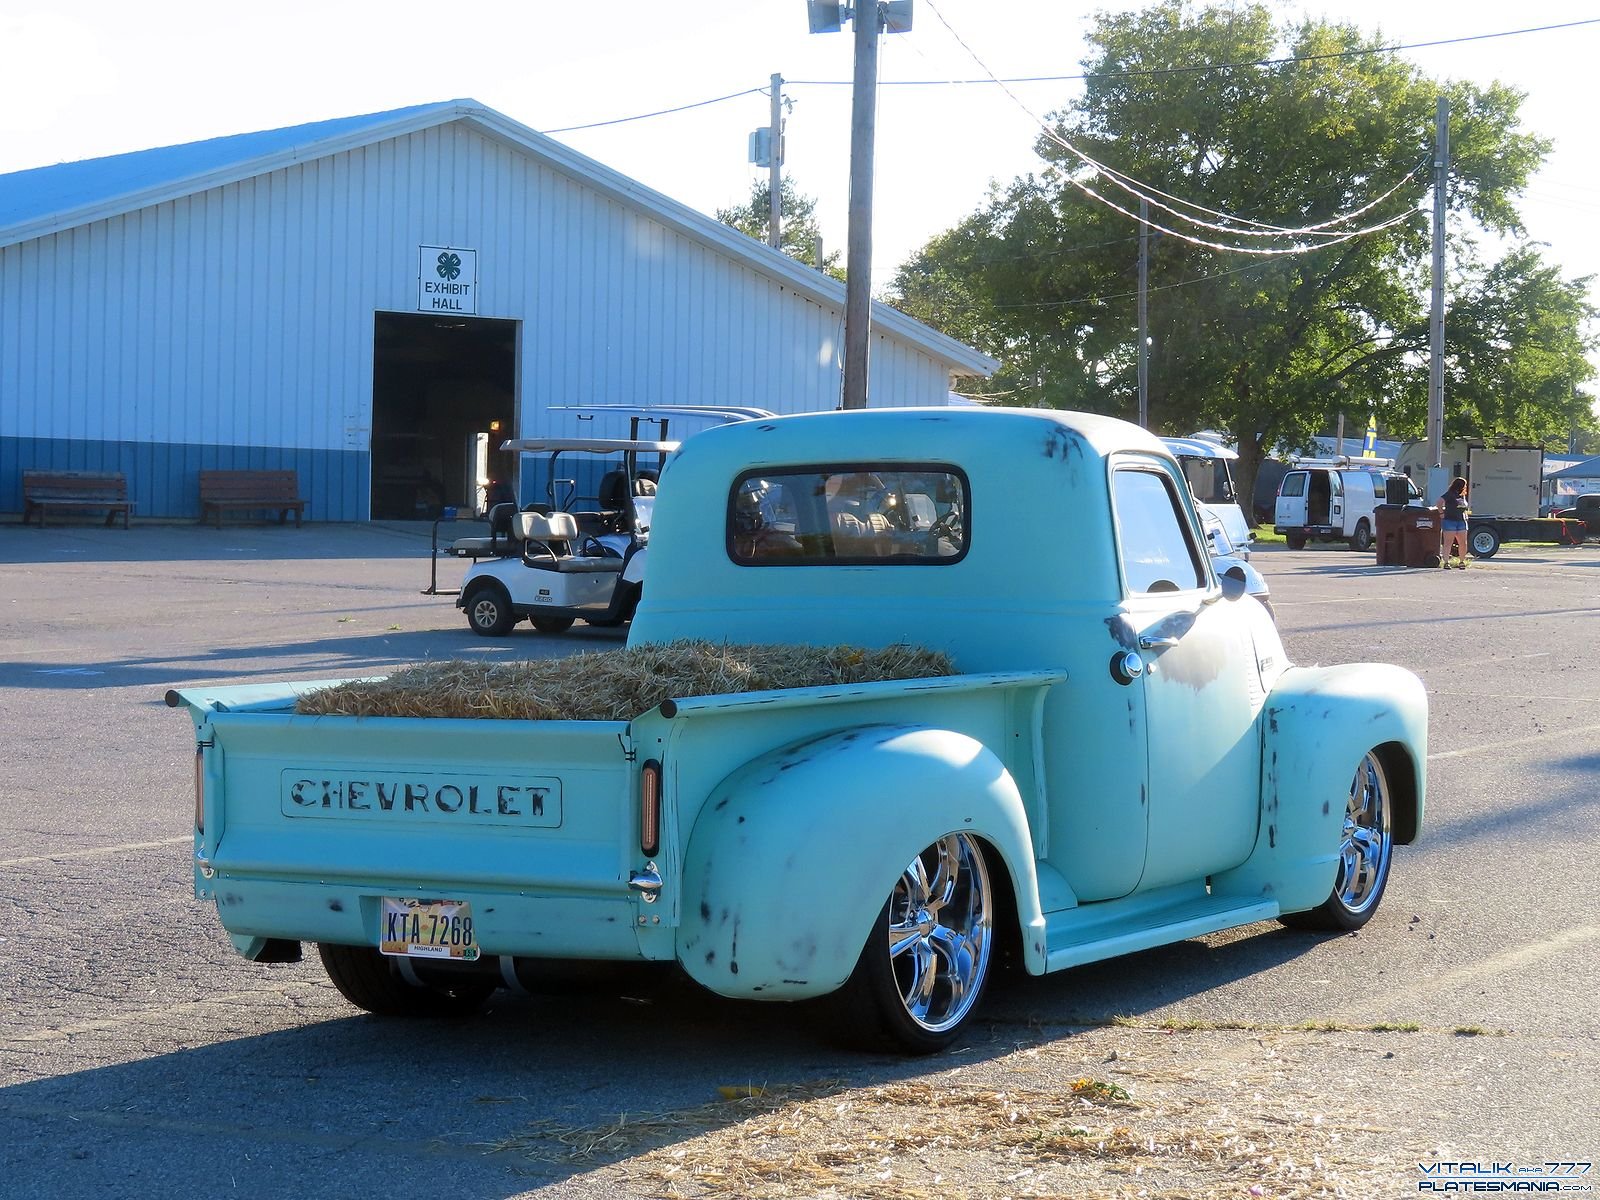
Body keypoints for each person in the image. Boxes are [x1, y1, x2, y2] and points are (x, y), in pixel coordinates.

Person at [1439, 477, 1470, 568]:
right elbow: (1439, 502)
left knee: (1463, 542)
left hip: (1461, 521)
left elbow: (1463, 506)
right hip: (1450, 520)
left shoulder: (1462, 495)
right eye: (1464, 485)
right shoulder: (1449, 494)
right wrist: (1441, 513)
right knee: (1448, 542)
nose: (1465, 487)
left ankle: (1462, 561)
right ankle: (1446, 562)